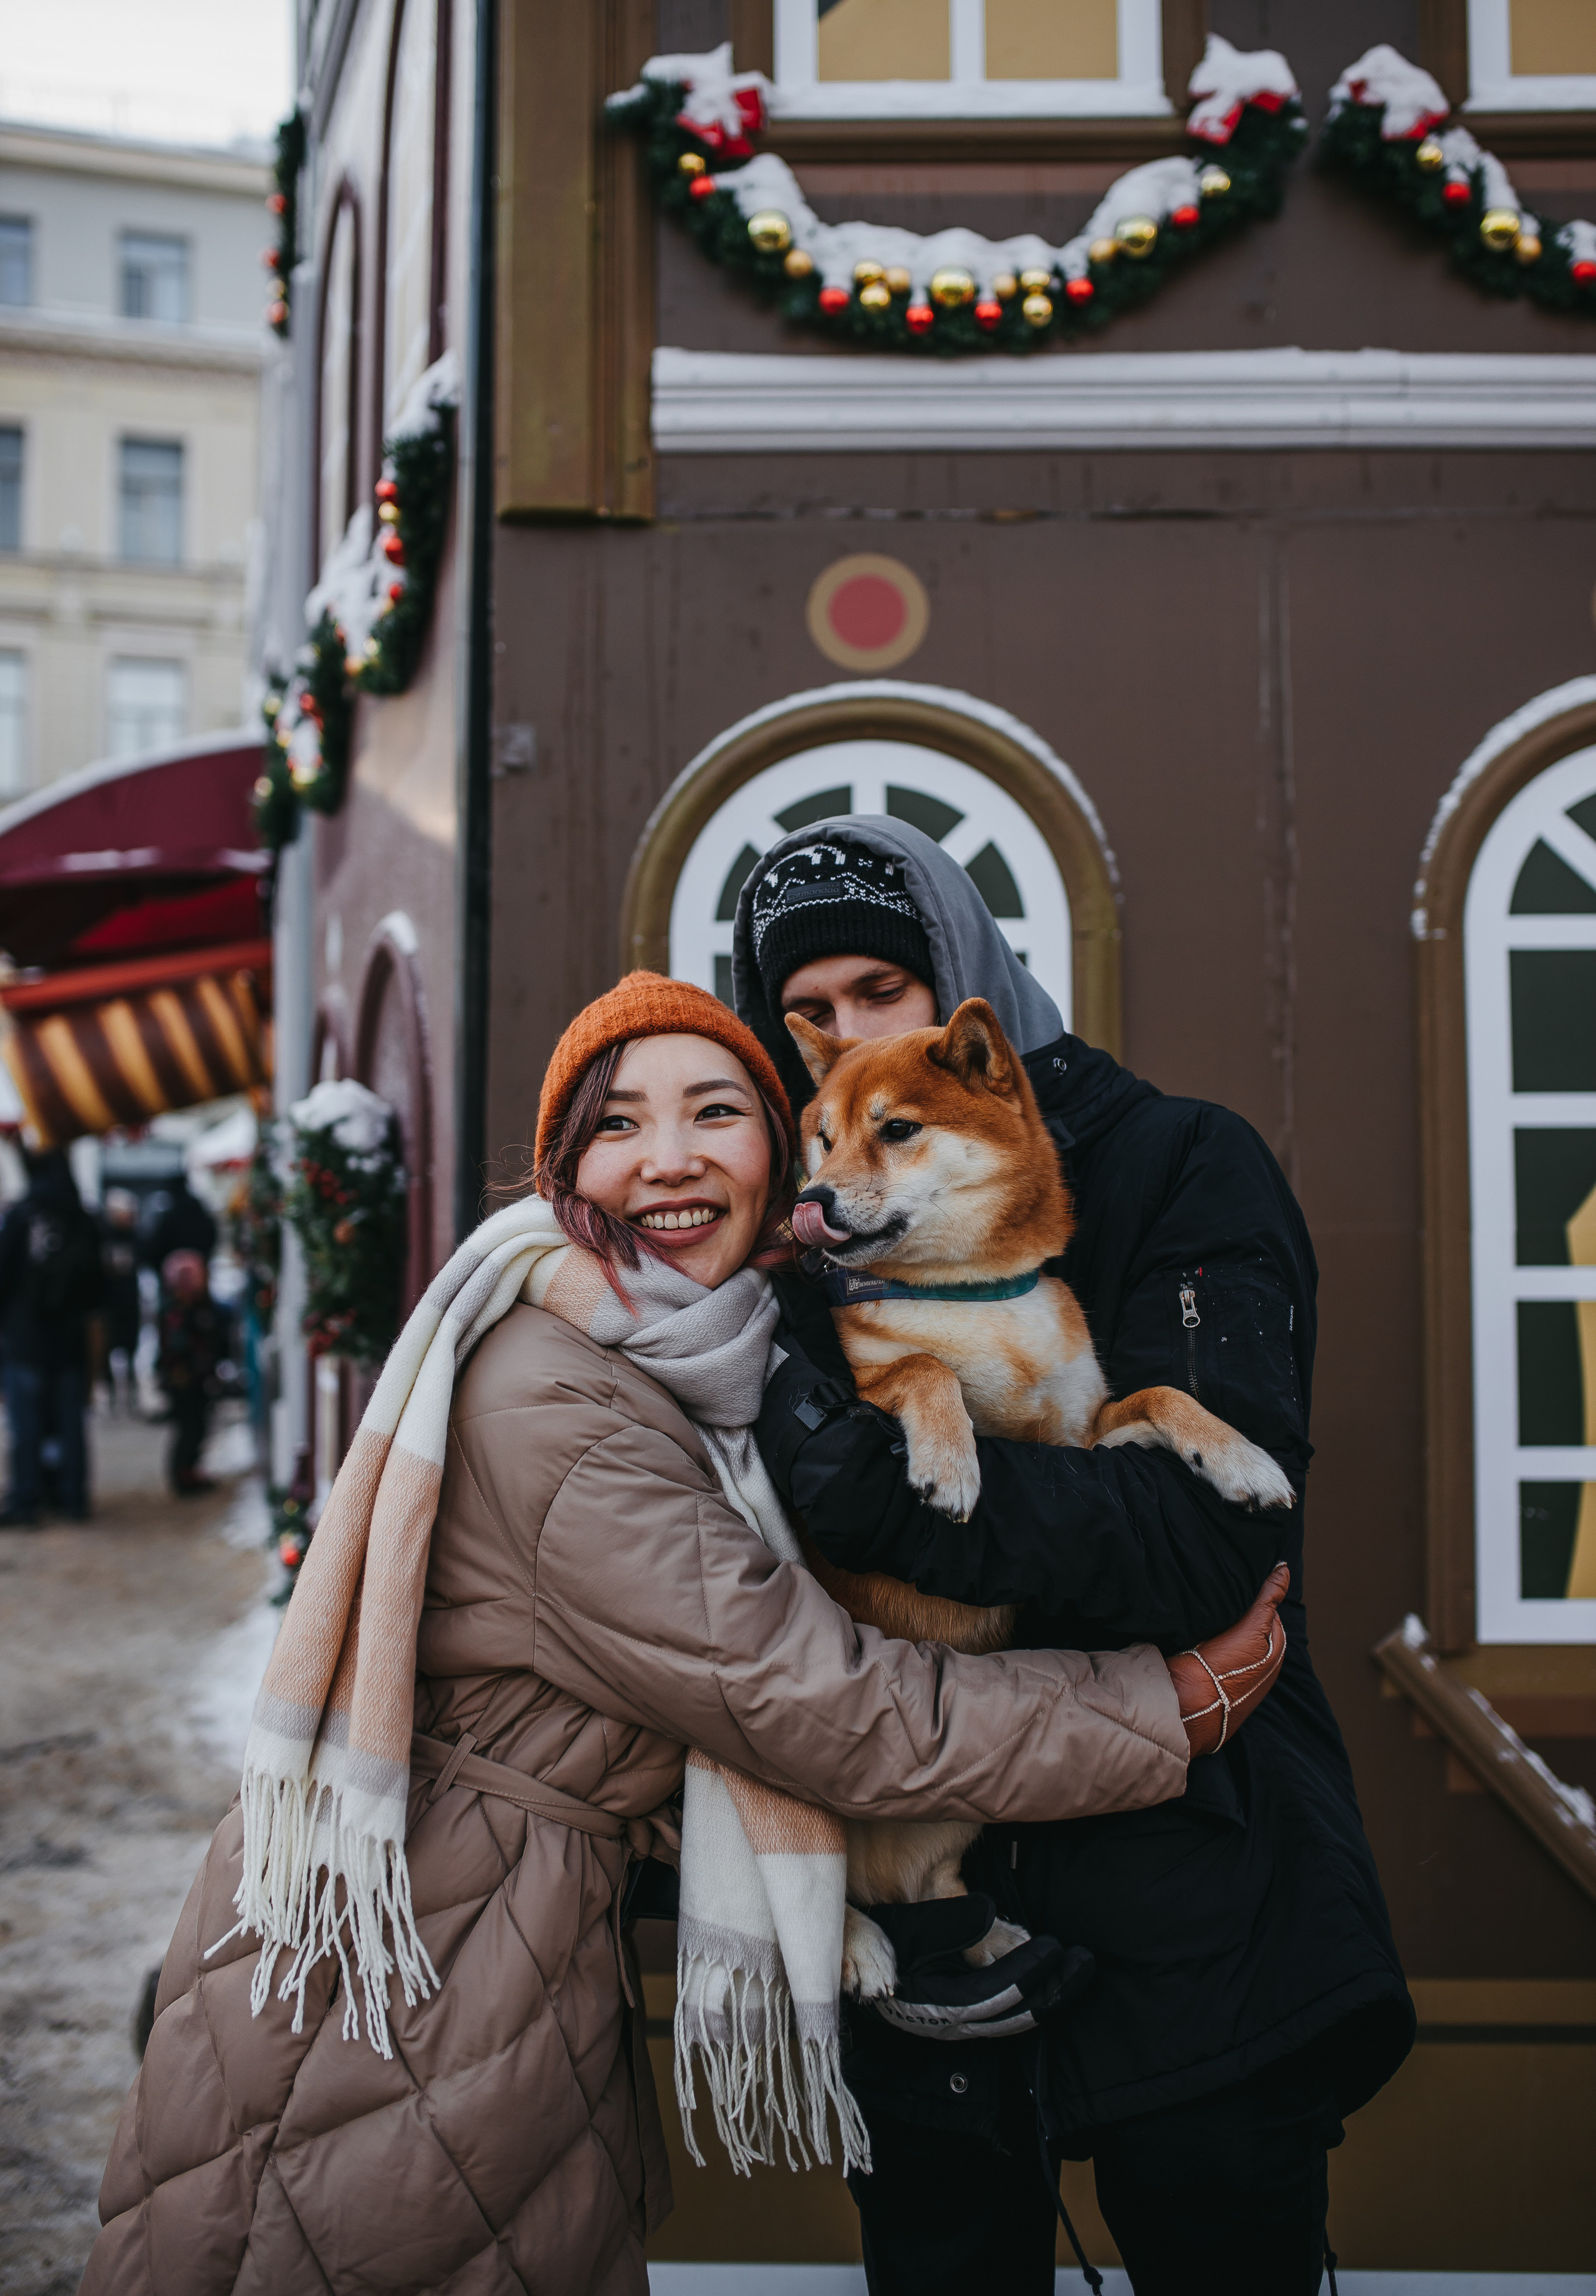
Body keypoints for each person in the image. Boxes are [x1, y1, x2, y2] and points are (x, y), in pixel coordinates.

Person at [83, 973, 1286, 2296]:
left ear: (774, 1155)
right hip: (395, 2004)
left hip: (481, 1963)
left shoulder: (696, 1357)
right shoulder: (560, 1402)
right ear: (564, 1168)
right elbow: (808, 1698)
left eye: (715, 1112)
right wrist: (1163, 1709)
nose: (668, 1158)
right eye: (618, 1124)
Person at [733, 821, 1416, 2296]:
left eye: (881, 985)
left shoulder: (1180, 1164)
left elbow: (1203, 1542)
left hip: (1204, 1918)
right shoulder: (786, 1256)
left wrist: (873, 1493)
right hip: (932, 1941)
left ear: (961, 983)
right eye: (810, 1011)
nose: (850, 1029)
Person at [0, 1146, 103, 1527]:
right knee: (71, 1422)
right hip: (69, 1341)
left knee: (26, 1426)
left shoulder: (22, 1215)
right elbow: (98, 1288)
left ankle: (27, 1498)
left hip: (25, 1340)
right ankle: (72, 1496)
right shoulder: (81, 1218)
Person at [155, 1248, 224, 1495]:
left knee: (198, 1426)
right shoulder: (176, 1312)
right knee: (189, 1427)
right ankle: (183, 1475)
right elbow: (177, 1349)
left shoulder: (198, 1308)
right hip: (183, 1380)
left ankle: (190, 1470)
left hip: (197, 1378)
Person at [99, 1185, 143, 1413]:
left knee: (130, 1347)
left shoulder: (134, 1237)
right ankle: (113, 1395)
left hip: (129, 1300)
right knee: (109, 1348)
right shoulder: (102, 1237)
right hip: (109, 1302)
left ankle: (131, 1394)